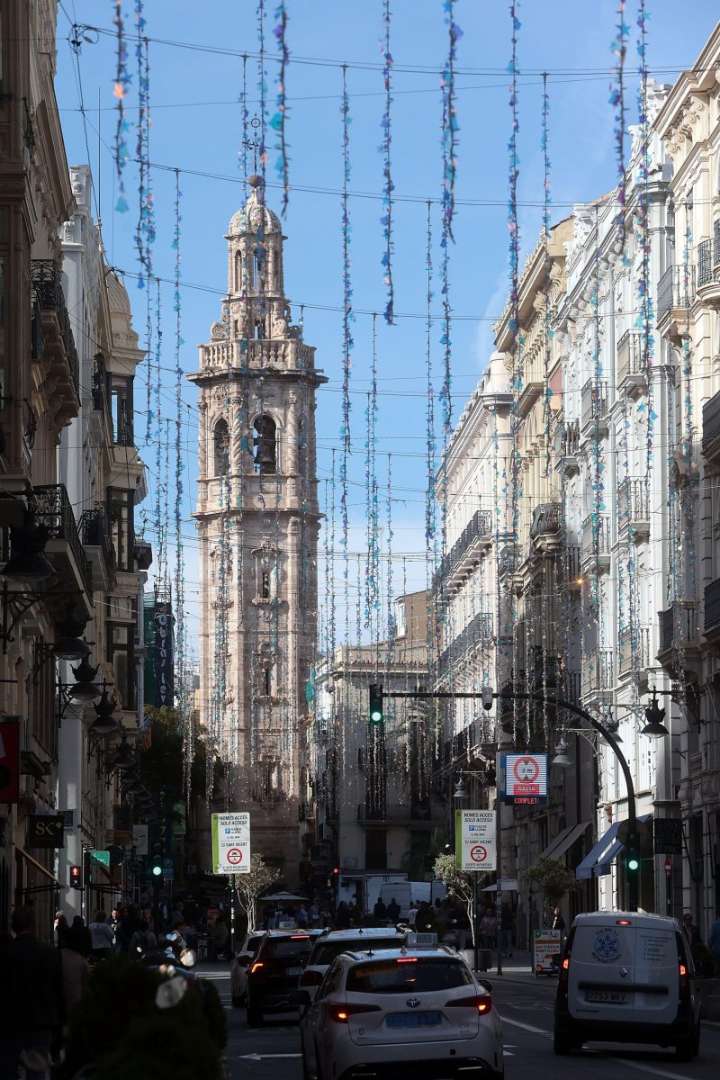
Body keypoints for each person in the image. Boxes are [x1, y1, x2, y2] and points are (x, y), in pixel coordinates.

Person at [0, 907, 63, 1080]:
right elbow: (57, 990)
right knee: (36, 1070)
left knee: (7, 1068)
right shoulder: (49, 953)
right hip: (40, 1021)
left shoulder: (6, 953)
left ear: (13, 926)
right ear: (34, 925)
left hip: (9, 1021)